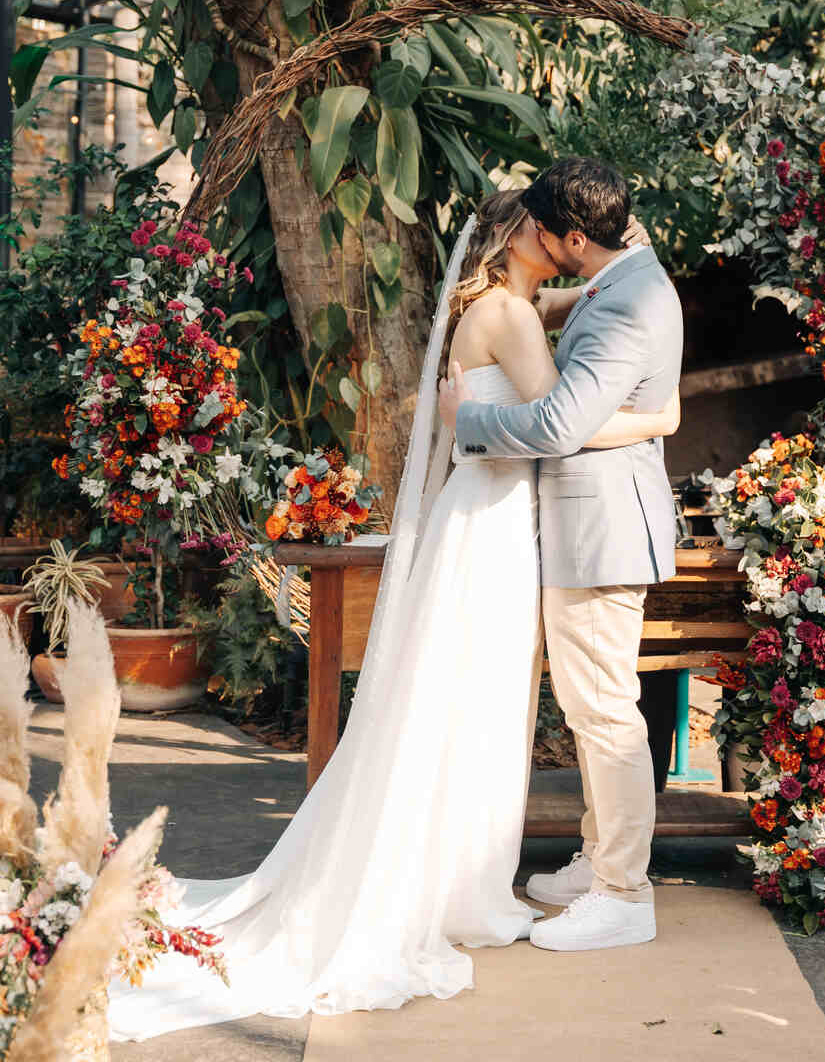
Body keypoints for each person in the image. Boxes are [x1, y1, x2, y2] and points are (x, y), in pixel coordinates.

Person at [107, 186, 677, 1041]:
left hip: (490, 521)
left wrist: (640, 402)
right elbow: (559, 422)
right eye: (541, 228)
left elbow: (575, 323)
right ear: (523, 235)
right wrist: (655, 416)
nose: (560, 249)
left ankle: (554, 877)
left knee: (476, 706)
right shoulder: (515, 315)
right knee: (482, 707)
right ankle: (484, 886)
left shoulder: (514, 301)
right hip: (496, 528)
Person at [440, 157, 685, 954]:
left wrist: (466, 425)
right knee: (591, 708)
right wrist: (656, 419)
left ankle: (624, 893)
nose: (540, 240)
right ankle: (599, 861)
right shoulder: (620, 279)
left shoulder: (628, 302)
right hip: (586, 524)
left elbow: (555, 427)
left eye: (549, 230)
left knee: (603, 713)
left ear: (576, 236)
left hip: (599, 529)